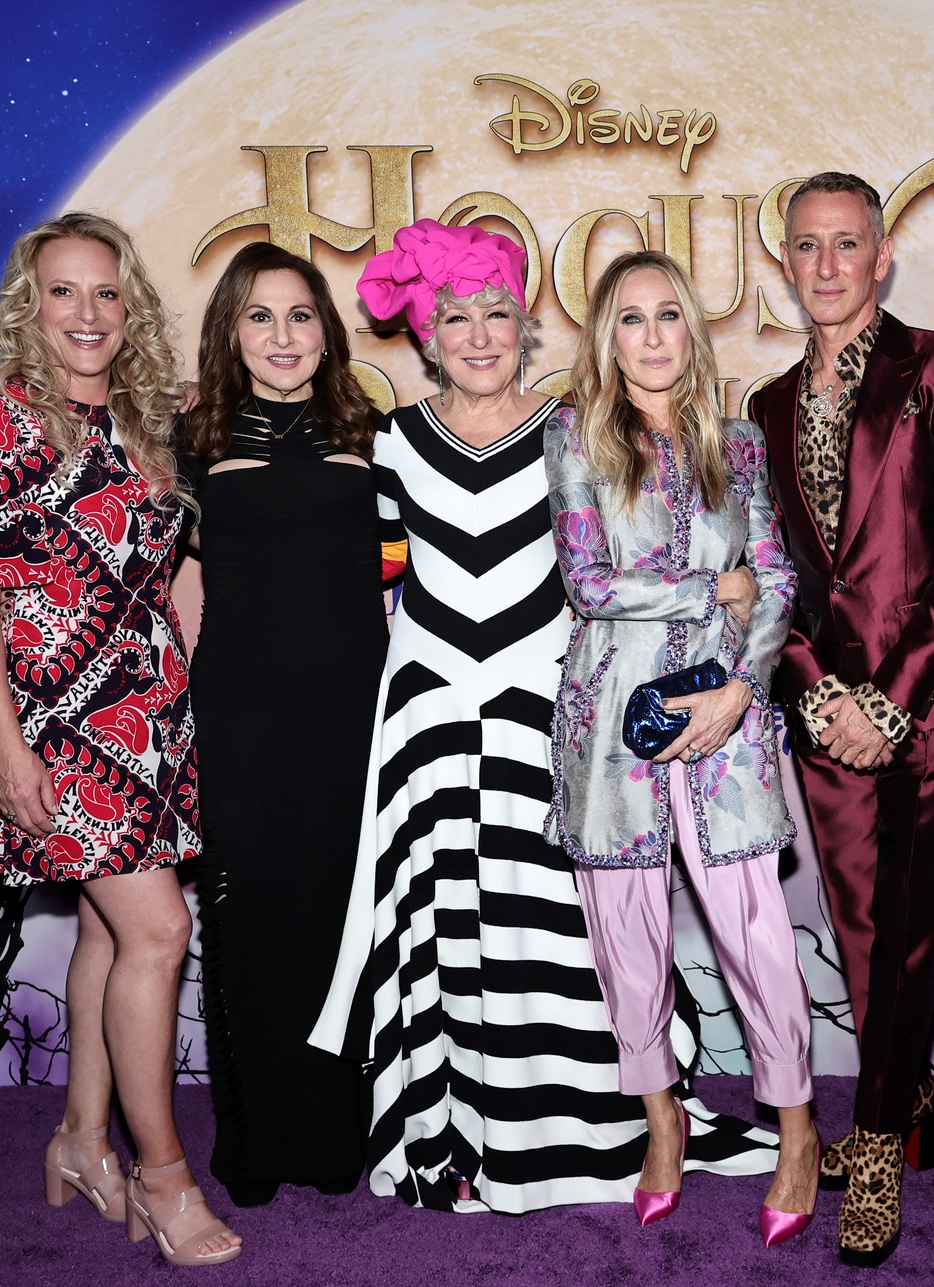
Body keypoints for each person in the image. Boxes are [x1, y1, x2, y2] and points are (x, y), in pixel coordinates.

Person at [309, 221, 774, 1213]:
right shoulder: (391, 443)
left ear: (524, 328)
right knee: (446, 924)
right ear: (426, 337)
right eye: (454, 319)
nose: (477, 336)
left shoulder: (580, 430)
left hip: (551, 709)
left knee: (564, 929)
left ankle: (591, 1130)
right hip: (430, 716)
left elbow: (633, 561)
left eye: (496, 314)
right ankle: (454, 1136)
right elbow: (375, 585)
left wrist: (729, 598)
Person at [0, 212, 239, 1266]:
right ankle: (164, 1177)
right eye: (63, 292)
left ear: (129, 306)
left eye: (106, 292)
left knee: (110, 936)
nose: (87, 313)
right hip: (58, 725)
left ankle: (77, 1137)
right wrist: (6, 749)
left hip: (151, 717)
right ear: (31, 307)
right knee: (158, 934)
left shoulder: (144, 423)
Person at [748, 172, 934, 1266]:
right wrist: (815, 688)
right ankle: (908, 1102)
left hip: (929, 701)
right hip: (826, 713)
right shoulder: (767, 406)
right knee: (862, 933)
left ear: (881, 255)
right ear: (785, 262)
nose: (826, 265)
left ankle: (873, 1149)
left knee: (909, 928)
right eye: (806, 246)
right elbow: (775, 574)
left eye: (845, 243)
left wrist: (890, 701)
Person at [544, 250, 819, 1244]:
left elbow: (776, 578)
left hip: (726, 709)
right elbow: (588, 582)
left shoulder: (737, 444)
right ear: (606, 338)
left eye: (668, 315)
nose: (652, 335)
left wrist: (743, 687)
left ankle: (796, 1131)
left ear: (690, 333)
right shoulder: (575, 435)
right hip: (613, 716)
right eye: (631, 318)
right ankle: (662, 1120)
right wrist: (713, 587)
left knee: (756, 933)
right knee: (625, 934)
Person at [175, 241, 394, 1207]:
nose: (282, 335)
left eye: (300, 314)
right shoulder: (190, 440)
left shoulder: (373, 430)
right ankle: (256, 1141)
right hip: (242, 713)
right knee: (249, 919)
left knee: (342, 917)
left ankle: (337, 1132)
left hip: (354, 709)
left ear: (327, 329)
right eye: (259, 316)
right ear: (231, 330)